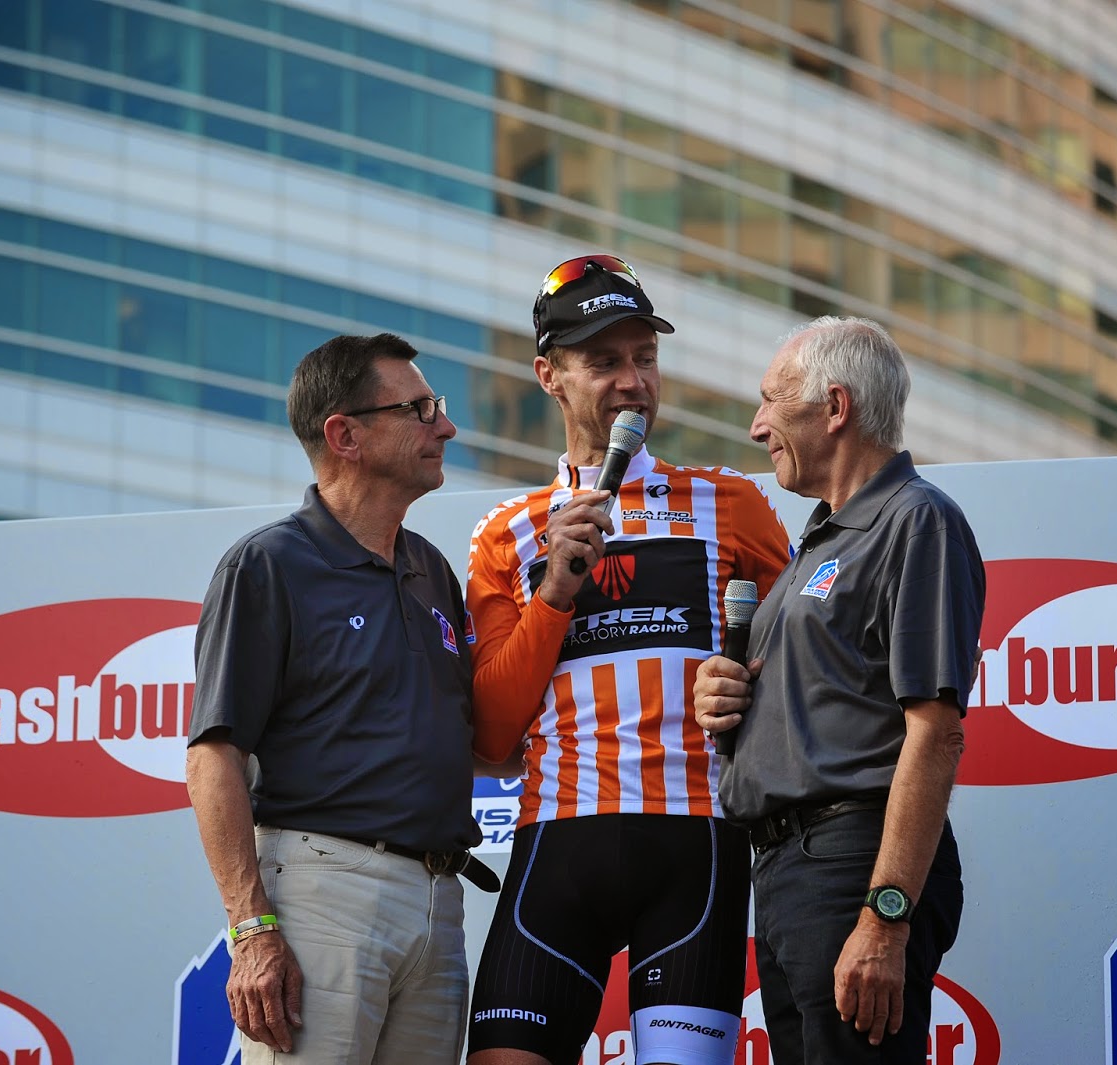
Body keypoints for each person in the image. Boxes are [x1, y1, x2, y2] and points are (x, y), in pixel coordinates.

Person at [465, 255, 793, 1065]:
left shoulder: (732, 503)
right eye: (604, 360)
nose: (632, 381)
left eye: (645, 357)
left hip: (695, 842)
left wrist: (746, 685)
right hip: (555, 840)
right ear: (549, 375)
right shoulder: (506, 532)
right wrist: (554, 590)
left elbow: (807, 673)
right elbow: (494, 734)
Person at [186, 332, 497, 1064]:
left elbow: (481, 739)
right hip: (322, 892)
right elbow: (212, 759)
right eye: (420, 409)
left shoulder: (432, 569)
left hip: (440, 902)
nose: (446, 426)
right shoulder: (267, 564)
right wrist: (251, 930)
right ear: (344, 435)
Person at [694, 316, 985, 1064]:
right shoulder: (818, 541)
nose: (757, 425)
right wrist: (727, 698)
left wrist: (884, 917)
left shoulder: (916, 519)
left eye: (771, 400)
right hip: (787, 871)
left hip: (851, 864)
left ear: (835, 406)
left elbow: (936, 731)